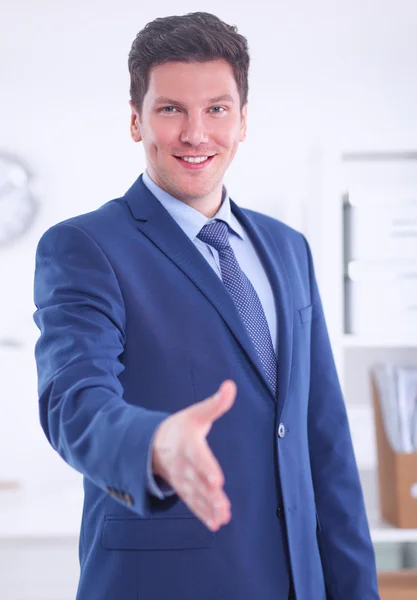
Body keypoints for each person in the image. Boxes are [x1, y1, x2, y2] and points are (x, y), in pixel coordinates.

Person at [33, 11, 380, 600]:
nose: (196, 134)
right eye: (171, 110)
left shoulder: (287, 248)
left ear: (243, 121)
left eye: (216, 109)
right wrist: (155, 445)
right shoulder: (85, 247)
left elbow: (324, 441)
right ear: (136, 121)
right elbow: (74, 401)